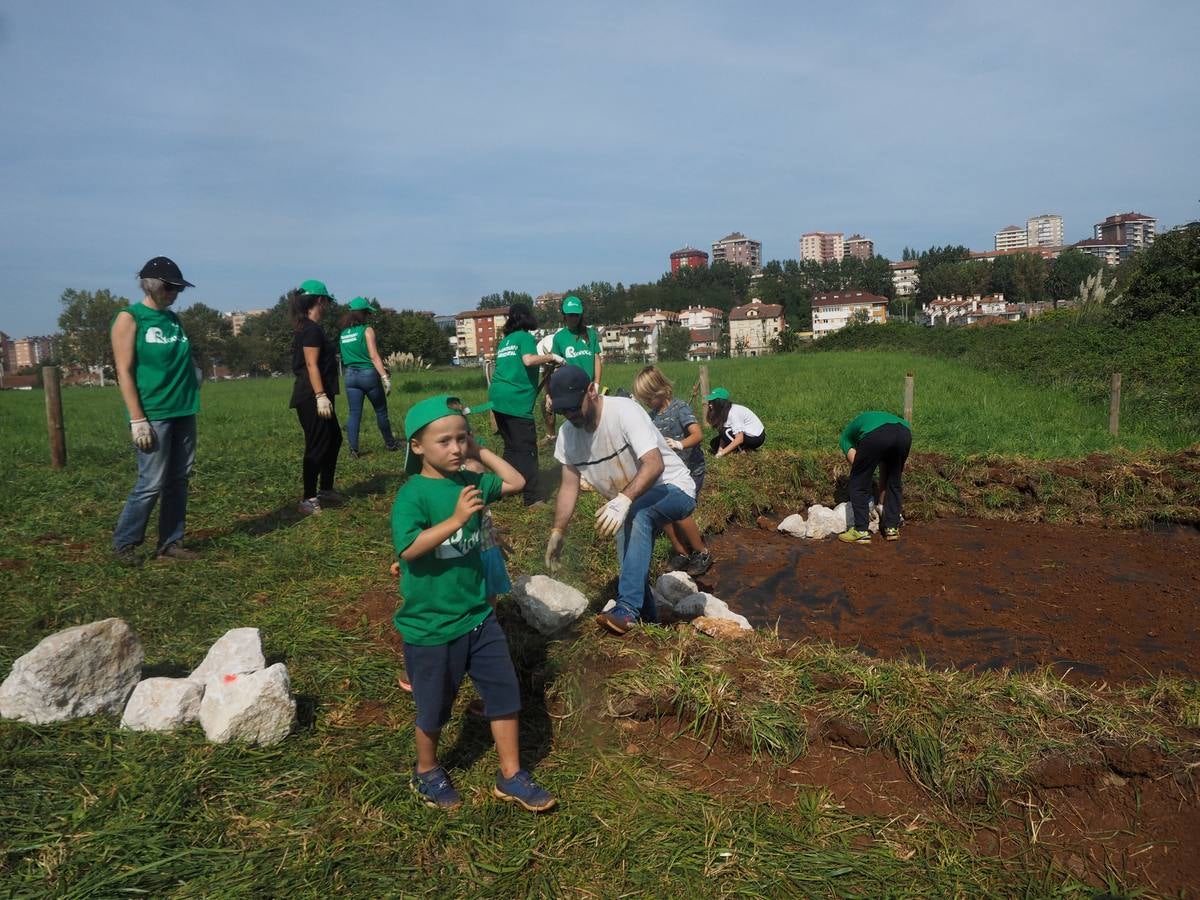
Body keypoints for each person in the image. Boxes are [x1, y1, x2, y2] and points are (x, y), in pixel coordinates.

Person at [392, 395, 556, 812]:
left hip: (478, 617)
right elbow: (409, 548)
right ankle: (427, 771)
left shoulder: (469, 481)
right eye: (443, 441)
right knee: (433, 709)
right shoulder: (413, 496)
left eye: (461, 439)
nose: (455, 448)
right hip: (431, 627)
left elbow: (517, 482)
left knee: (504, 694)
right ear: (417, 446)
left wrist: (480, 449)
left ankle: (511, 774)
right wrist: (456, 521)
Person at [544, 366, 696, 636]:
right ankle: (650, 624)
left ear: (591, 390)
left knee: (639, 513)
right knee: (629, 564)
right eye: (563, 411)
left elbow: (654, 463)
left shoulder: (624, 410)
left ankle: (626, 608)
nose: (570, 416)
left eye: (574, 408)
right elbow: (569, 487)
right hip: (629, 505)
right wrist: (558, 531)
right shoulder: (567, 436)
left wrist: (624, 499)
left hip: (674, 488)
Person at [110, 256, 201, 565]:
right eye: (170, 288)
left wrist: (194, 371)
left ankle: (171, 543)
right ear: (152, 286)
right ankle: (125, 543)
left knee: (179, 479)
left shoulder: (174, 320)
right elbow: (124, 370)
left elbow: (181, 357)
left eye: (178, 289)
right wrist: (137, 418)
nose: (175, 294)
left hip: (183, 408)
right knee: (151, 482)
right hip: (154, 412)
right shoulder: (130, 318)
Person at [632, 366, 712, 576]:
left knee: (679, 511)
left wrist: (679, 444)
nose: (647, 403)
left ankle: (701, 552)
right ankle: (681, 551)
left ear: (661, 391)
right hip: (667, 474)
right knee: (662, 511)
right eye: (644, 400)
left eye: (648, 398)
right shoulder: (651, 417)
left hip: (691, 469)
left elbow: (697, 434)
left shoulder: (680, 408)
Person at [487, 303, 563, 506]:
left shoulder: (505, 342)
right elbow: (528, 360)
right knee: (528, 450)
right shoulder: (525, 337)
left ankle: (505, 488)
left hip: (497, 398)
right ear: (527, 318)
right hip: (515, 401)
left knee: (511, 447)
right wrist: (552, 357)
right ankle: (533, 498)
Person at [289, 280, 343, 516]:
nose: (328, 306)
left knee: (334, 439)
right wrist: (320, 395)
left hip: (319, 394)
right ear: (320, 300)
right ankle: (308, 499)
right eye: (327, 301)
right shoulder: (310, 329)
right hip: (311, 396)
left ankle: (325, 490)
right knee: (317, 445)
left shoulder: (309, 327)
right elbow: (311, 364)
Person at [838, 411, 912, 544]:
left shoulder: (845, 437)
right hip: (904, 433)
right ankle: (891, 528)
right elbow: (887, 471)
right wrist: (881, 504)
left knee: (858, 481)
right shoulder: (878, 421)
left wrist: (863, 474)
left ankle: (860, 531)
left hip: (876, 434)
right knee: (894, 481)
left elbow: (857, 466)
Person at [338, 296, 398, 457]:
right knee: (381, 411)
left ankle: (353, 450)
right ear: (364, 313)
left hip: (350, 376)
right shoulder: (367, 330)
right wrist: (384, 377)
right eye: (368, 313)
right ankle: (390, 444)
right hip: (368, 375)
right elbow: (373, 356)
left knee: (354, 413)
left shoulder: (343, 333)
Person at [542, 295, 601, 442]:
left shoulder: (591, 334)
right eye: (570, 315)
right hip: (571, 389)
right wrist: (549, 393)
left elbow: (596, 360)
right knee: (576, 426)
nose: (573, 318)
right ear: (564, 316)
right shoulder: (559, 338)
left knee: (593, 424)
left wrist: (597, 383)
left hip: (589, 387)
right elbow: (552, 367)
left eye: (576, 315)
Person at [704, 388, 766, 457]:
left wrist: (721, 454)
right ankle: (746, 449)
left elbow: (739, 438)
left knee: (725, 431)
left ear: (720, 402)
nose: (710, 405)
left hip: (756, 437)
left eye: (713, 402)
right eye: (710, 402)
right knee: (714, 443)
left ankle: (742, 451)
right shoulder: (724, 412)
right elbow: (723, 435)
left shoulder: (733, 413)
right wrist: (720, 450)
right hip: (745, 435)